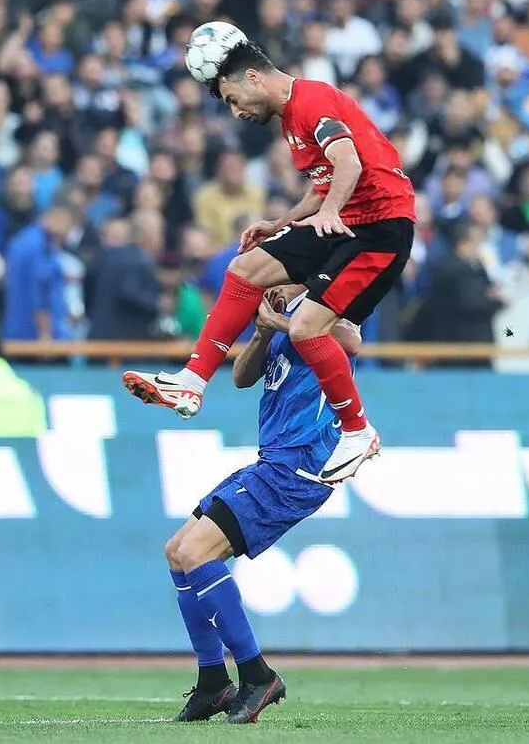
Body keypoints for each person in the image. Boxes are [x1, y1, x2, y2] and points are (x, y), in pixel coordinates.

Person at [122, 40, 415, 484]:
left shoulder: (312, 100)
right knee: (245, 269)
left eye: (233, 99)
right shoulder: (292, 117)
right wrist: (280, 223)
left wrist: (330, 212)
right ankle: (192, 381)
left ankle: (357, 431)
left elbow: (348, 163)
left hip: (380, 227)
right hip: (346, 219)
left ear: (254, 78)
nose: (236, 112)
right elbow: (323, 185)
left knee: (305, 329)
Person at [165, 283, 362, 725]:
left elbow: (351, 340)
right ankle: (213, 682)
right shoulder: (280, 309)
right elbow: (241, 377)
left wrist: (281, 321)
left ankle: (258, 675)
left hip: (302, 462)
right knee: (177, 551)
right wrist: (261, 331)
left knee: (196, 552)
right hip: (273, 458)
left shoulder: (325, 300)